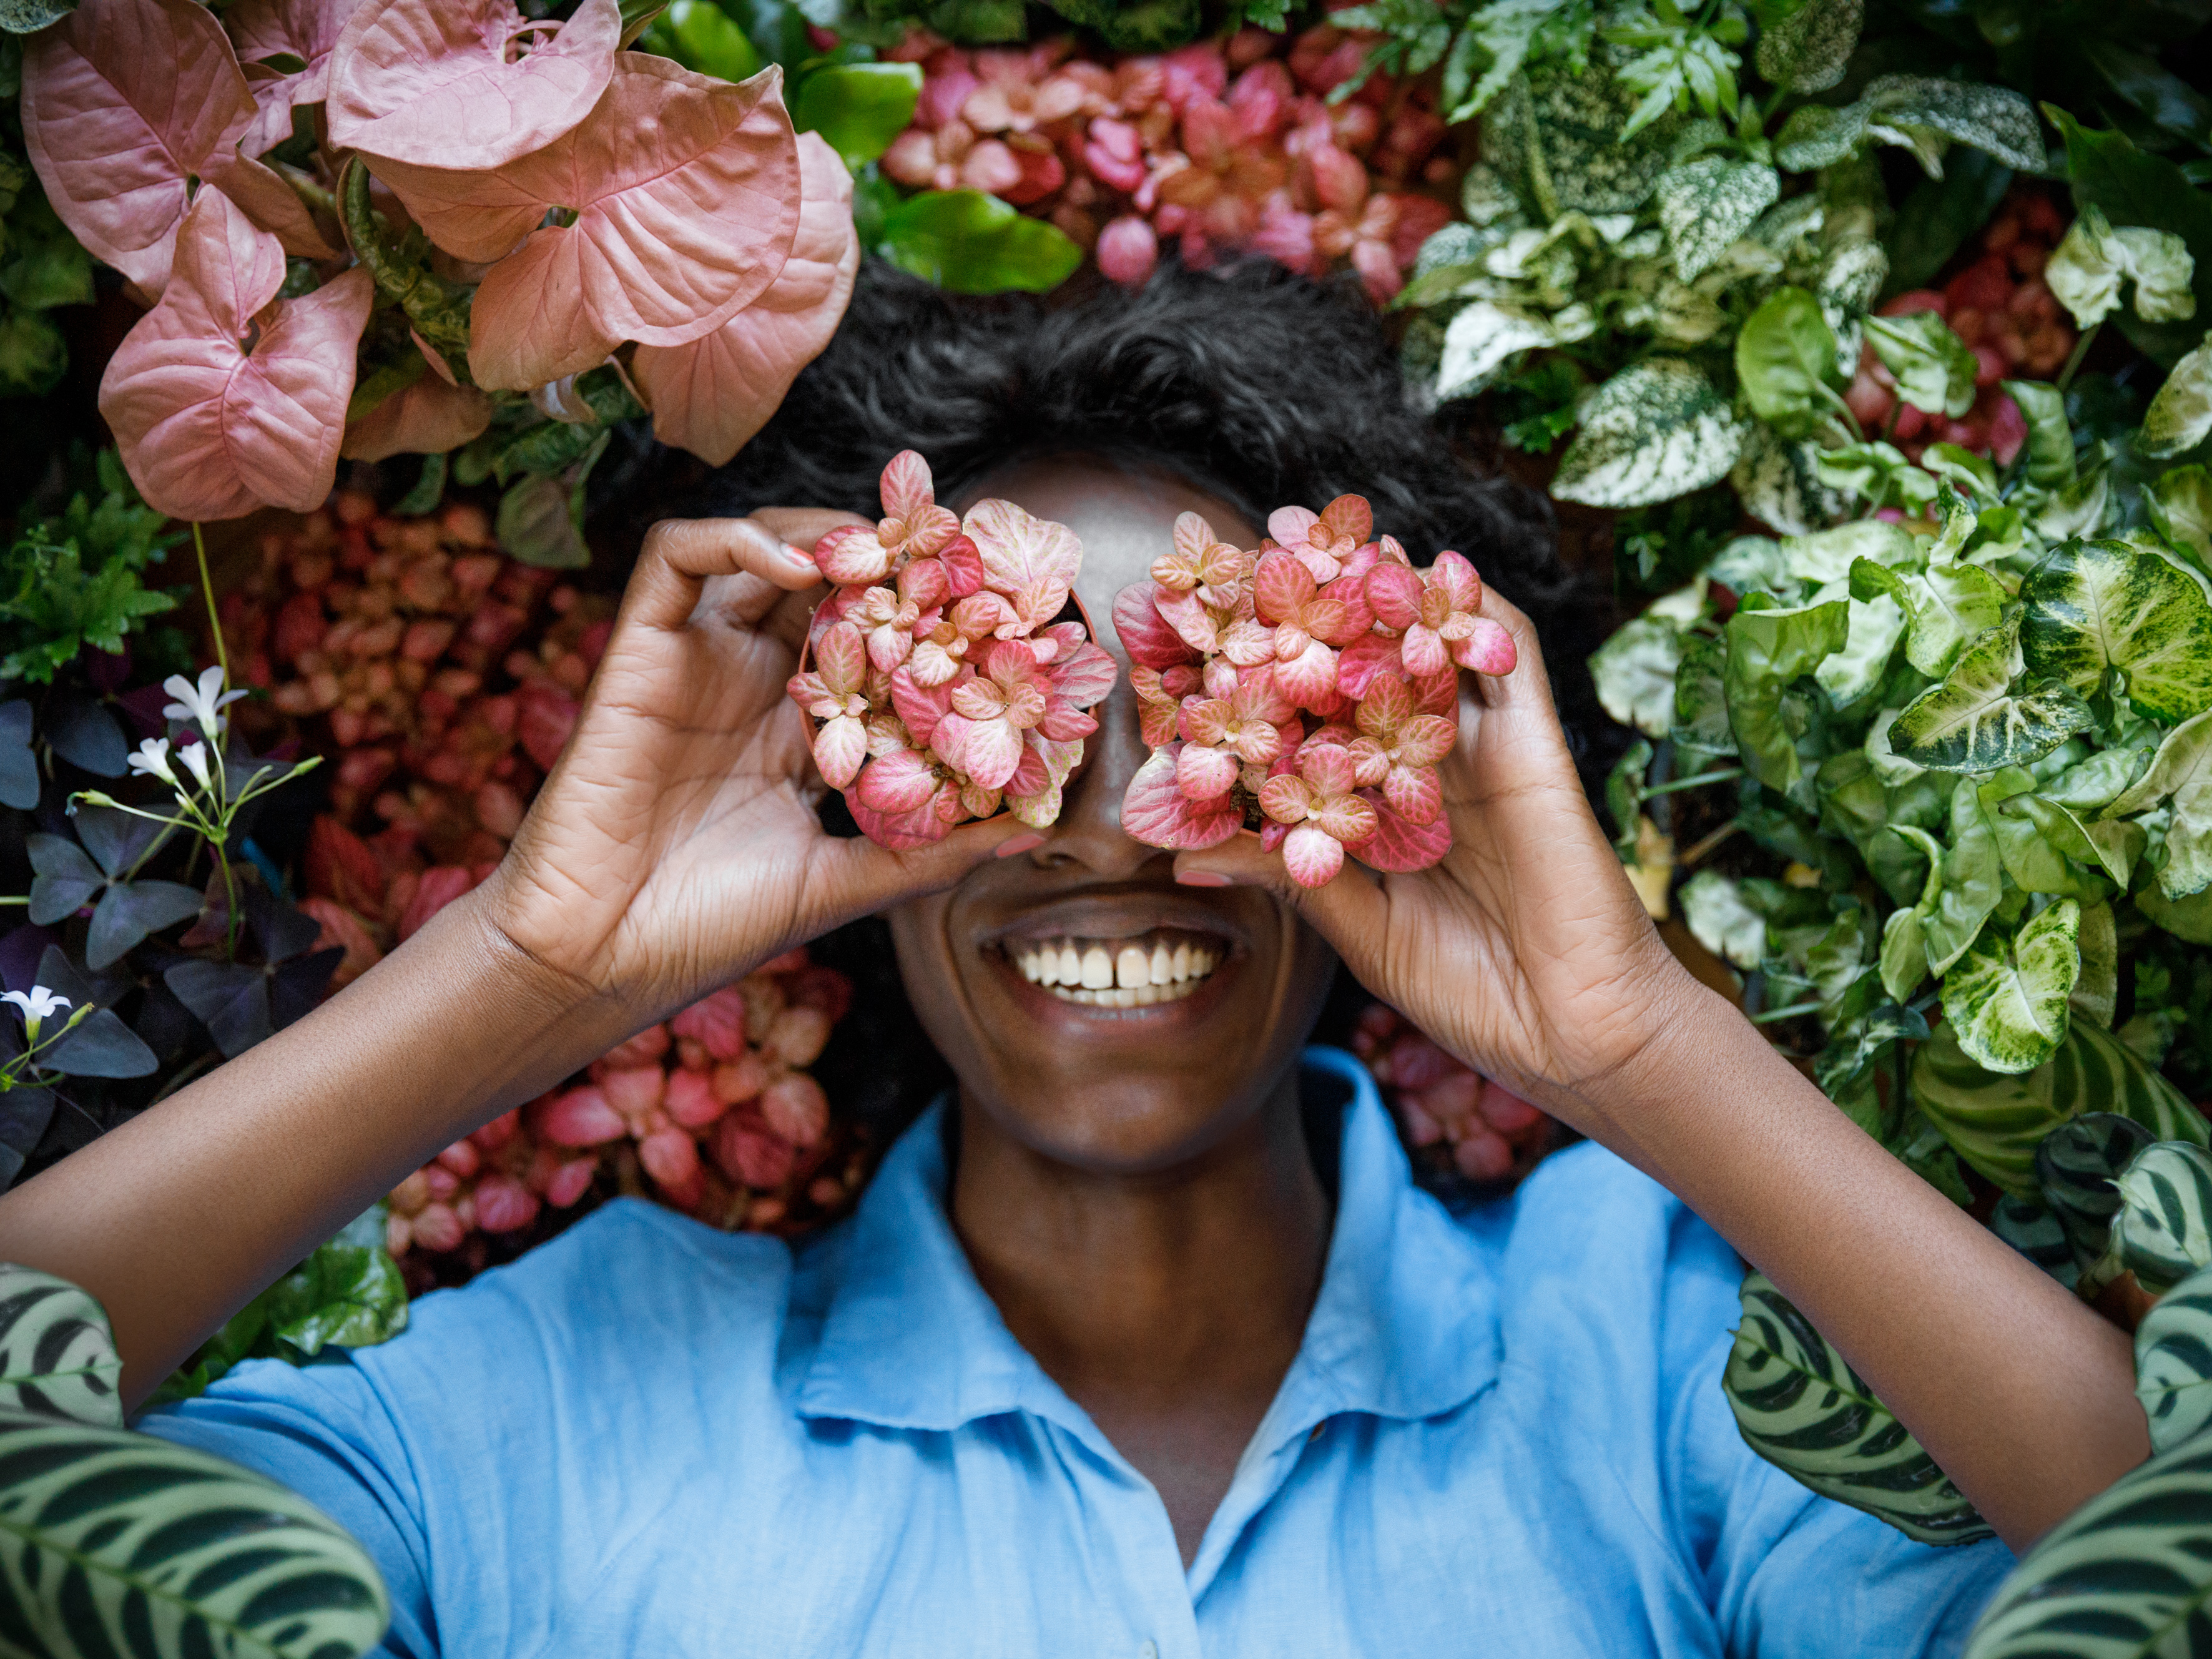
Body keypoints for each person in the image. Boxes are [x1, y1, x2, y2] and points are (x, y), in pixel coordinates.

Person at [0, 262, 2146, 1657]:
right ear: (861, 808)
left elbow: (2154, 1571)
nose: (1122, 823)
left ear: (1384, 781)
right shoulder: (566, 1394)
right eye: (1010, 729)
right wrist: (545, 967)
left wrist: (1635, 1039)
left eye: (1226, 731)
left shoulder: (1641, 1345)